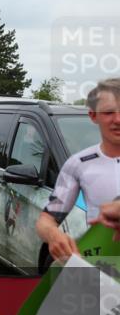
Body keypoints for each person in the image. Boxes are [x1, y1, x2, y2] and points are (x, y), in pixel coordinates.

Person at [36, 78, 120, 261]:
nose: (118, 119)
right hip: (106, 264)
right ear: (93, 116)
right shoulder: (78, 163)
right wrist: (53, 234)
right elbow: (46, 219)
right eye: (108, 112)